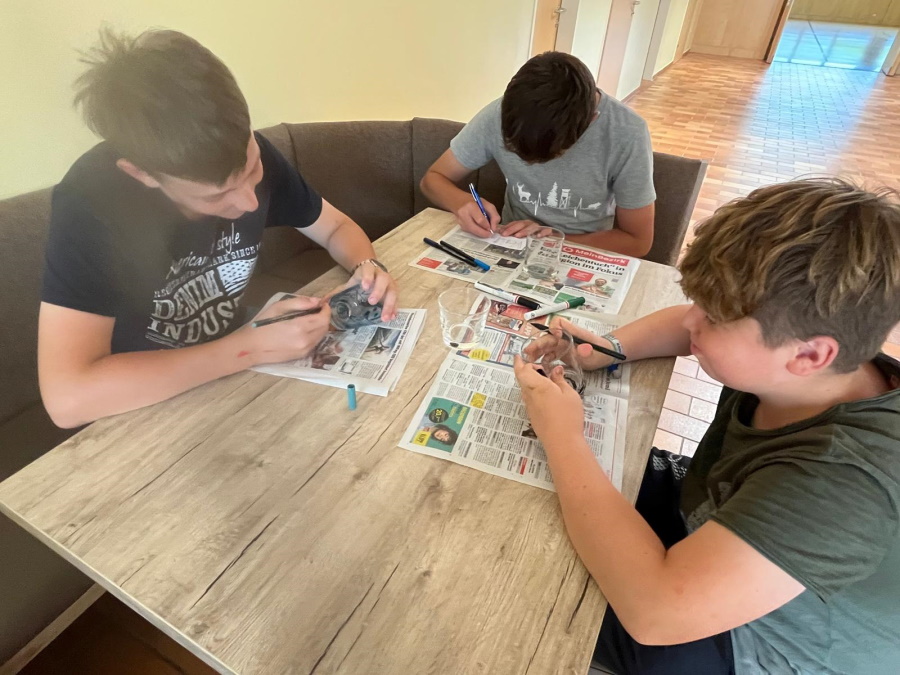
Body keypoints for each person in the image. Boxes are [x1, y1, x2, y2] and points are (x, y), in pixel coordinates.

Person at [513, 178, 900, 674]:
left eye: (713, 318)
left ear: (808, 355)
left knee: (537, 588)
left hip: (756, 645)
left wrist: (563, 435)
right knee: (556, 495)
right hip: (710, 518)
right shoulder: (812, 366)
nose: (691, 322)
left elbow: (656, 613)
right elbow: (684, 323)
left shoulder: (843, 482)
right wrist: (603, 351)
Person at [39, 29, 398, 429]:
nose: (249, 202)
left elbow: (336, 227)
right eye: (216, 196)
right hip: (145, 404)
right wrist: (246, 349)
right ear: (143, 174)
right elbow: (67, 398)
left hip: (237, 367)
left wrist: (367, 266)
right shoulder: (92, 203)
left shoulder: (246, 148)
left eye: (252, 170)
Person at [420, 52, 656, 258]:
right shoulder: (501, 114)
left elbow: (638, 241)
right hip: (511, 245)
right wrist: (462, 202)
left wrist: (553, 241)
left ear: (591, 120)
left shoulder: (626, 132)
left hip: (583, 251)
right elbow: (433, 178)